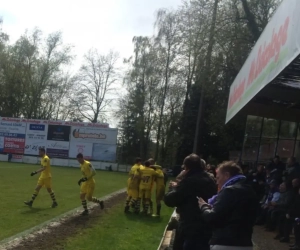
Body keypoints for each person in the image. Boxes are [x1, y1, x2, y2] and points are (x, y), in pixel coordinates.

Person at [198, 161, 257, 250]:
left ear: (227, 175)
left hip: (225, 242)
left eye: (218, 178)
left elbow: (213, 217)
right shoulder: (250, 190)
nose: (217, 182)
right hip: (246, 243)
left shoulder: (229, 191)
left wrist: (204, 206)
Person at [164, 154, 217, 250]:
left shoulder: (189, 181)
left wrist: (173, 187)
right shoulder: (210, 180)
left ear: (186, 168)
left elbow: (170, 200)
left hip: (190, 227)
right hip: (207, 226)